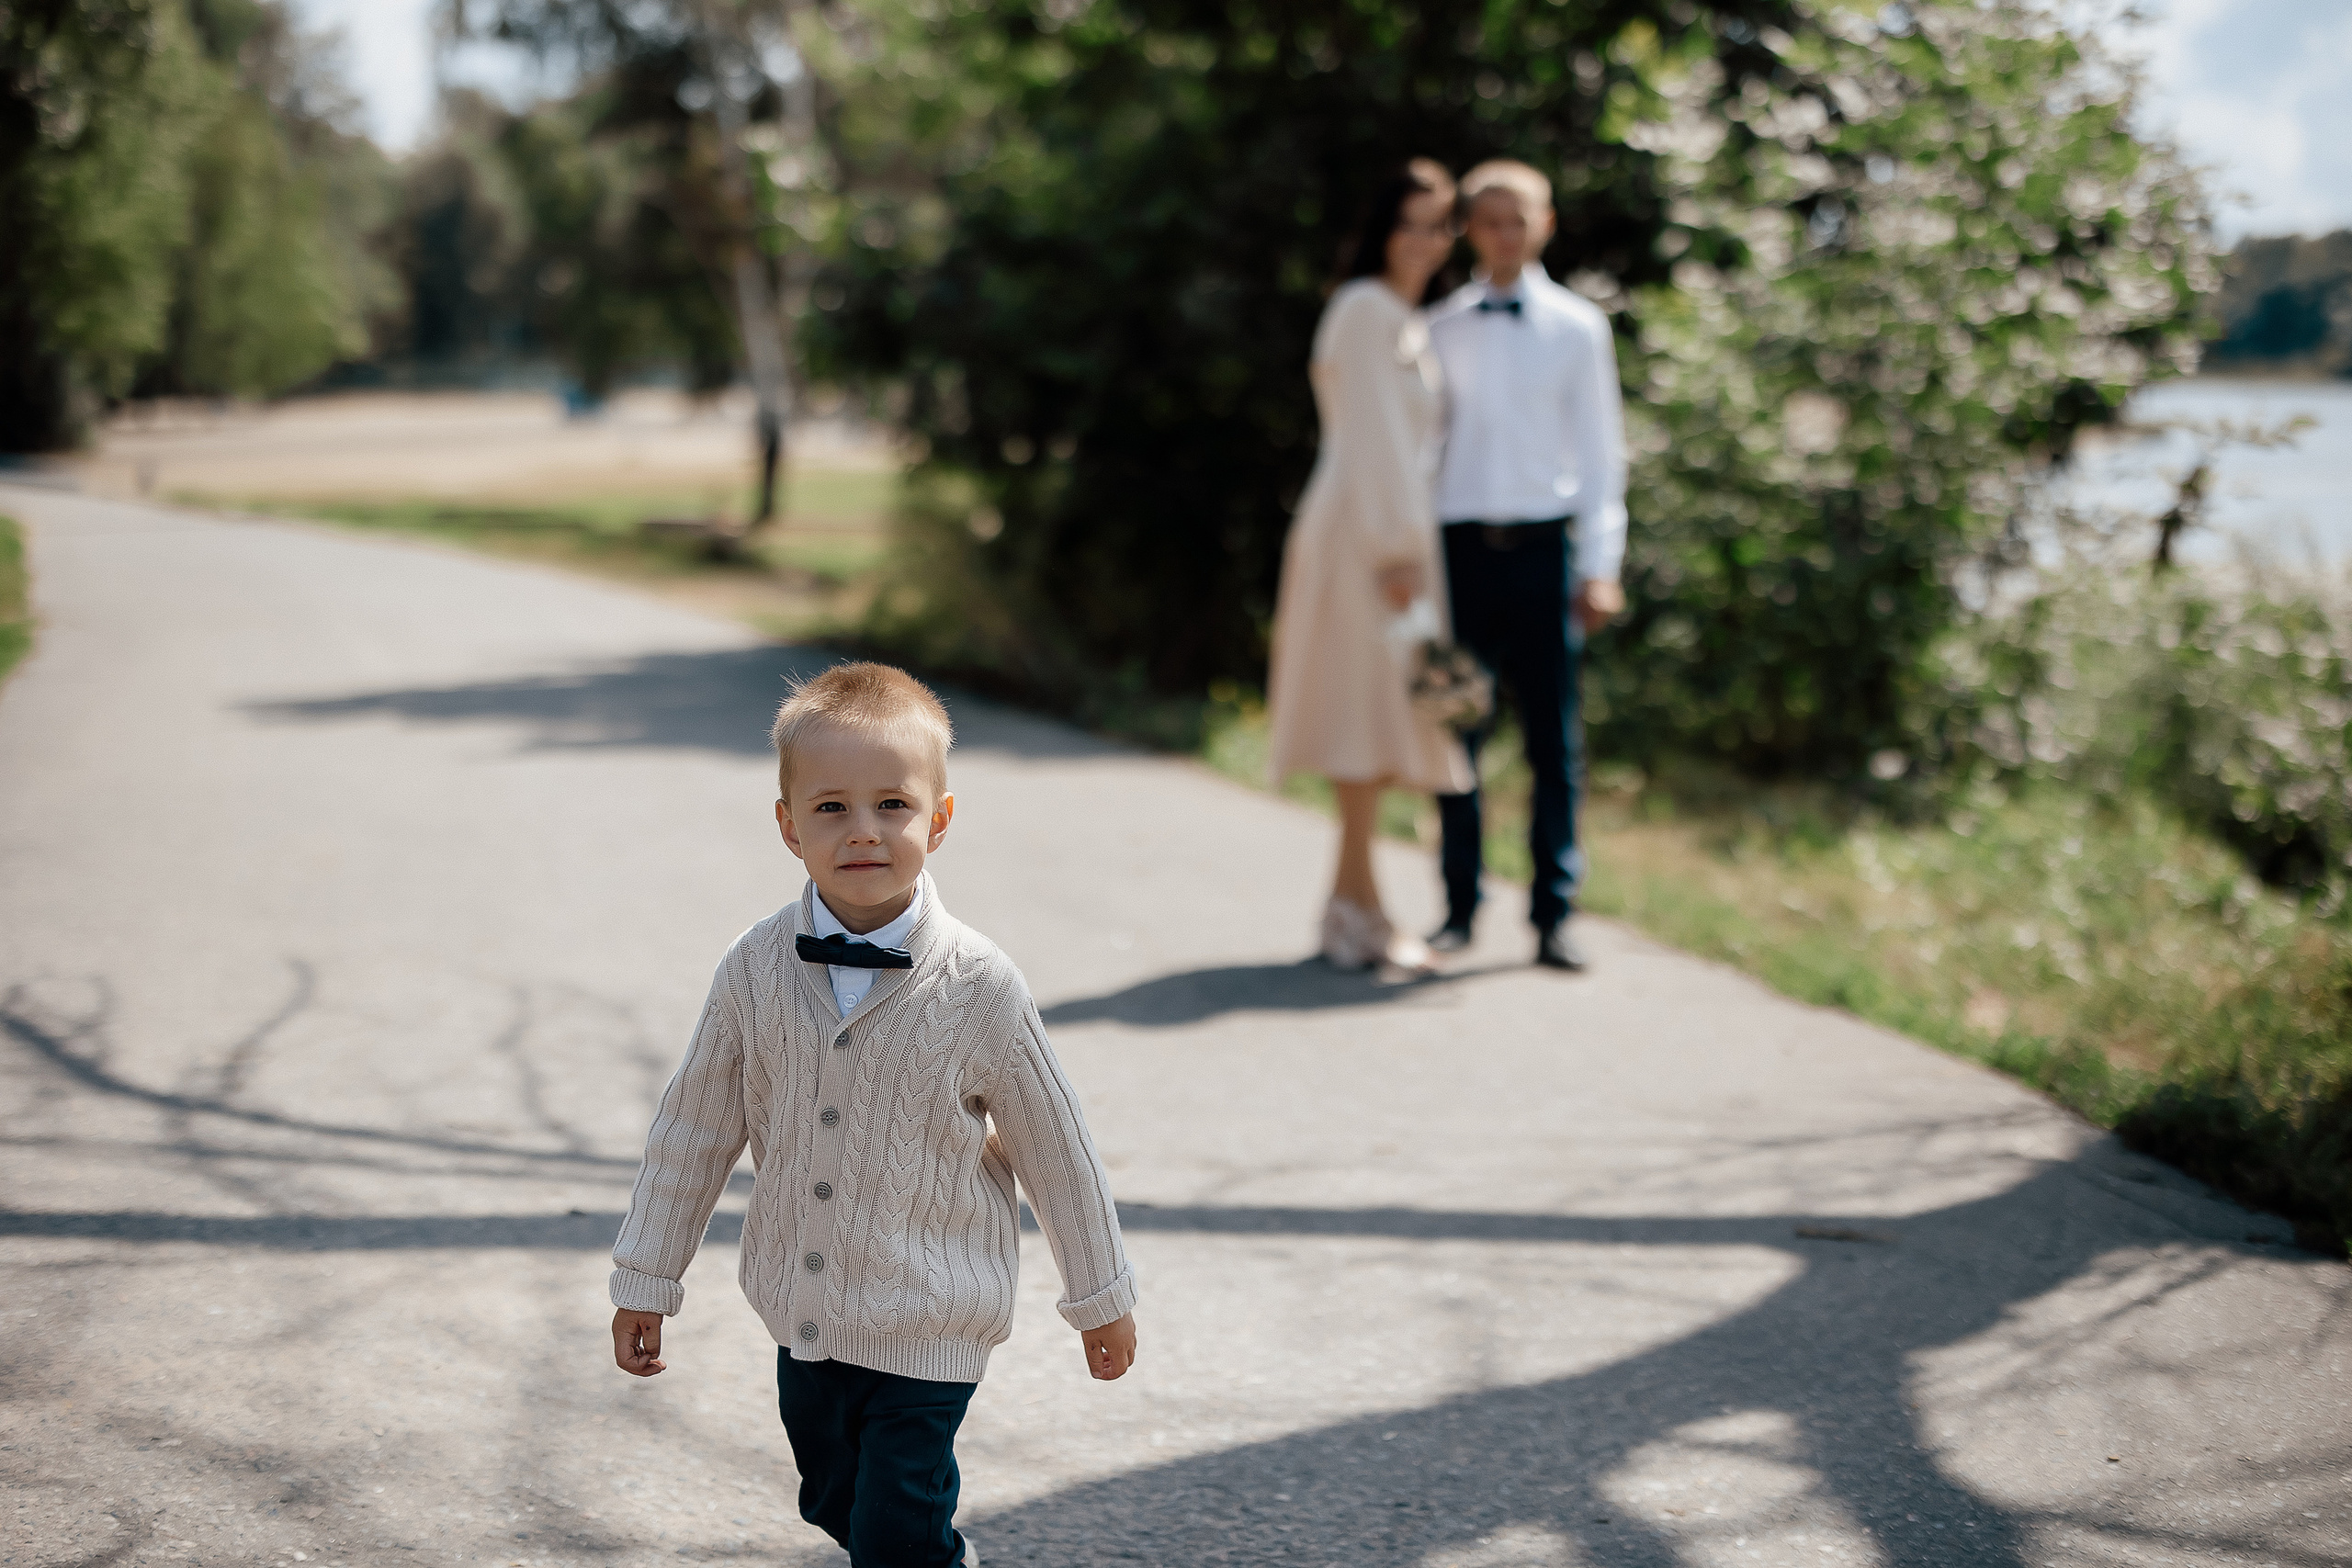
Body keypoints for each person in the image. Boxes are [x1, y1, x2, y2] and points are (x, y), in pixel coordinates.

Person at [605, 662, 1138, 1568]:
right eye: (830, 809)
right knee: (833, 1498)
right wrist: (645, 1278)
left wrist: (1100, 1299)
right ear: (787, 827)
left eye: (892, 805)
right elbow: (691, 1134)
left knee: (893, 1529)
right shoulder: (754, 969)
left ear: (938, 819)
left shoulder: (980, 987)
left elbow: (1057, 1150)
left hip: (932, 1312)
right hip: (803, 1311)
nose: (863, 832)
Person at [1266, 158, 1476, 972]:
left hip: (1391, 536)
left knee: (1388, 718)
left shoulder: (1401, 315)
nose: (1427, 239)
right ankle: (1362, 913)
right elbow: (1377, 447)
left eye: (1439, 224)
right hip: (1369, 537)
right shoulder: (1364, 309)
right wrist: (1395, 553)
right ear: (1382, 228)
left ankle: (1354, 908)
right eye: (1412, 222)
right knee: (1369, 713)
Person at [1424, 160, 1629, 972]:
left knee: (1554, 739)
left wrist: (1601, 564)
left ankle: (1553, 912)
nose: (1505, 233)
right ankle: (1457, 905)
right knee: (1454, 733)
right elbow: (1421, 452)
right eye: (1489, 219)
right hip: (1458, 555)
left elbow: (1602, 454)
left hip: (1547, 553)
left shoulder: (1579, 329)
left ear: (1545, 225)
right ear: (1469, 228)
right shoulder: (1437, 327)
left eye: (1521, 219)